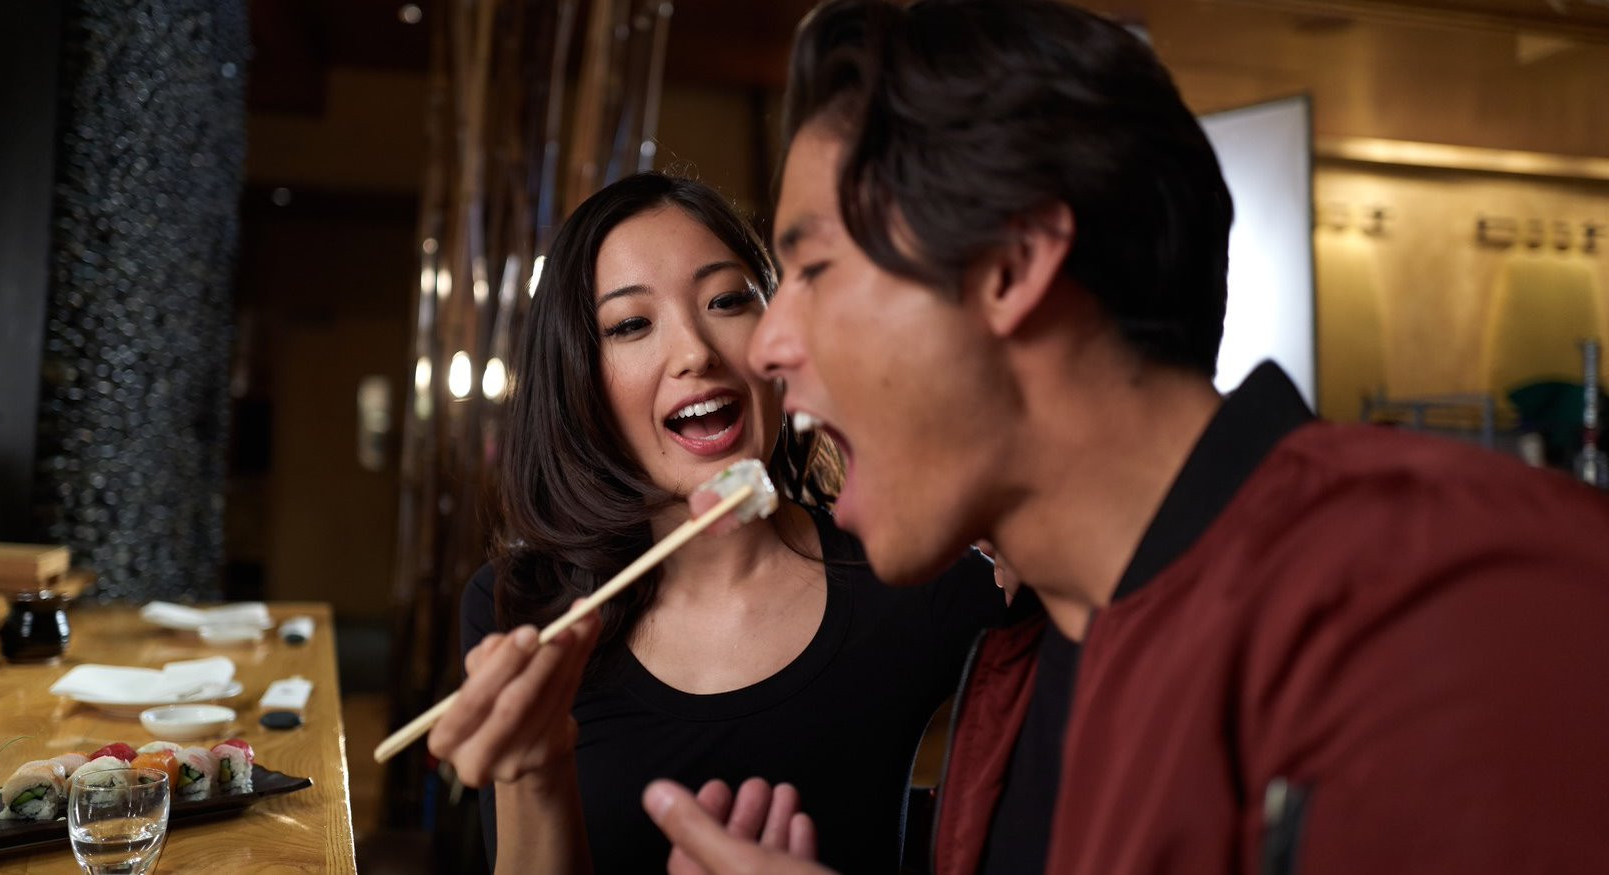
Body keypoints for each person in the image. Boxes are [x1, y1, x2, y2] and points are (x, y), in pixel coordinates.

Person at [640, 1, 1609, 873]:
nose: (764, 345)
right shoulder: (1030, 661)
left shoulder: (1437, 600)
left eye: (811, 266)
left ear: (1012, 266)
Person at [431, 171, 1009, 873]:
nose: (697, 352)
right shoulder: (520, 609)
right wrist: (533, 772)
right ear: (578, 381)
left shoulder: (905, 567)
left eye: (728, 300)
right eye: (631, 324)